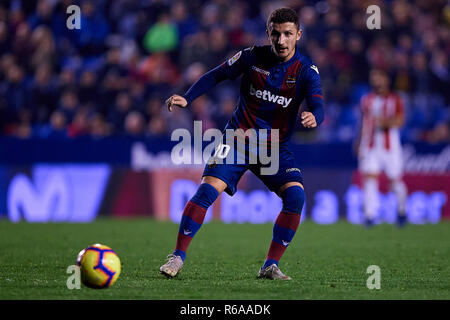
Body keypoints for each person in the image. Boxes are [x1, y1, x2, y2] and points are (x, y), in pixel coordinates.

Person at [160, 8, 324, 280]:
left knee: (296, 196)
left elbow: (318, 104)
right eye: (276, 33)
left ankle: (270, 265)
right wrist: (188, 98)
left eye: (287, 34)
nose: (281, 41)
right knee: (207, 192)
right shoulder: (251, 57)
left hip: (274, 148)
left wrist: (314, 116)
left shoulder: (306, 70)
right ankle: (177, 256)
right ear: (268, 33)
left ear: (298, 35)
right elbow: (215, 75)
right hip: (237, 139)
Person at [356, 68, 408, 227]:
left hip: (390, 147)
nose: (376, 80)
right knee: (370, 179)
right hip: (370, 146)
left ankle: (401, 210)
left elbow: (400, 121)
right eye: (373, 77)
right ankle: (370, 216)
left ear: (386, 79)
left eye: (379, 76)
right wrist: (358, 142)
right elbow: (362, 123)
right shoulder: (366, 99)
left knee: (395, 182)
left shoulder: (395, 99)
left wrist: (384, 122)